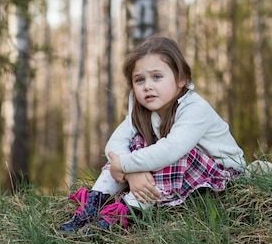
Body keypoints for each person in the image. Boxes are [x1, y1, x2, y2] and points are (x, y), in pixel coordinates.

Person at [59, 35, 246, 233]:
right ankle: (93, 204)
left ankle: (124, 213)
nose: (147, 86)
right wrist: (132, 172)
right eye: (139, 80)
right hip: (175, 169)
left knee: (170, 152)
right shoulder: (141, 110)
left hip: (220, 174)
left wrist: (125, 165)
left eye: (157, 77)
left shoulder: (195, 108)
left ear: (181, 79)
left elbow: (170, 151)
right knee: (134, 143)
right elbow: (115, 144)